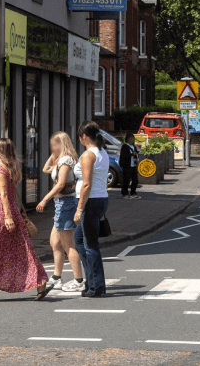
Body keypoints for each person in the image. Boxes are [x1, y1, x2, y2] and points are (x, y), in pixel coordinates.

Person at [0, 138, 50, 301]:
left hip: (1, 214)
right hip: (12, 212)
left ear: (0, 152)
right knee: (23, 249)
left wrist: (7, 217)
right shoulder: (12, 168)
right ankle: (40, 282)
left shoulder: (0, 170)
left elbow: (3, 194)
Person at [36, 132, 85, 292]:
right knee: (55, 243)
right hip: (61, 205)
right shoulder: (60, 159)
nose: (51, 148)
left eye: (53, 145)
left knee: (68, 245)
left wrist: (44, 199)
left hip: (66, 204)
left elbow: (61, 183)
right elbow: (45, 169)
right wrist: (54, 153)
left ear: (60, 144)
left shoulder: (66, 161)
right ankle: (57, 278)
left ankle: (79, 281)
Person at [74, 121, 111, 297]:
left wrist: (79, 209)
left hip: (90, 201)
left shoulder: (88, 155)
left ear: (84, 136)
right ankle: (91, 282)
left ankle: (96, 287)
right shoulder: (103, 152)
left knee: (90, 245)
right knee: (80, 239)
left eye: (80, 137)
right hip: (101, 198)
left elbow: (87, 184)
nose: (80, 140)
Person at [120, 134, 139, 199]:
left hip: (133, 165)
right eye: (131, 138)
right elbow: (124, 156)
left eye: (133, 138)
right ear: (128, 139)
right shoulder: (124, 146)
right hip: (127, 165)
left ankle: (133, 193)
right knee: (126, 180)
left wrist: (136, 154)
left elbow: (136, 153)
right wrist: (131, 154)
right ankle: (124, 193)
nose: (133, 140)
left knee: (135, 180)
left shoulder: (133, 146)